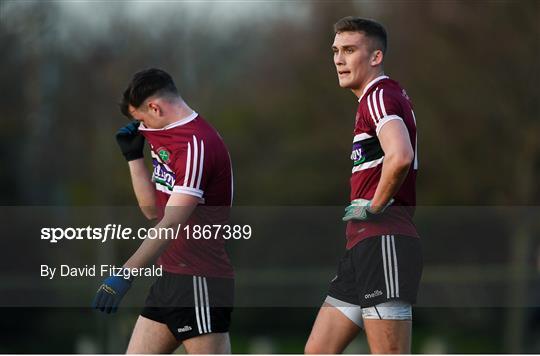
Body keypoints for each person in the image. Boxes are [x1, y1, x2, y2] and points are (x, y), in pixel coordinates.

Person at [92, 68, 234, 354]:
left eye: (141, 119)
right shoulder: (161, 133)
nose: (141, 128)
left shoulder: (197, 144)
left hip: (199, 281)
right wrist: (134, 158)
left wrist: (125, 274)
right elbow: (151, 211)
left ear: (155, 107)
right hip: (169, 278)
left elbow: (171, 223)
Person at [305, 17, 422, 354]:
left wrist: (374, 205)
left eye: (350, 50)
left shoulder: (378, 96)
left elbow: (399, 156)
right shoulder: (381, 97)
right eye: (336, 51)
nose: (339, 59)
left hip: (385, 241)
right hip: (362, 248)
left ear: (376, 57)